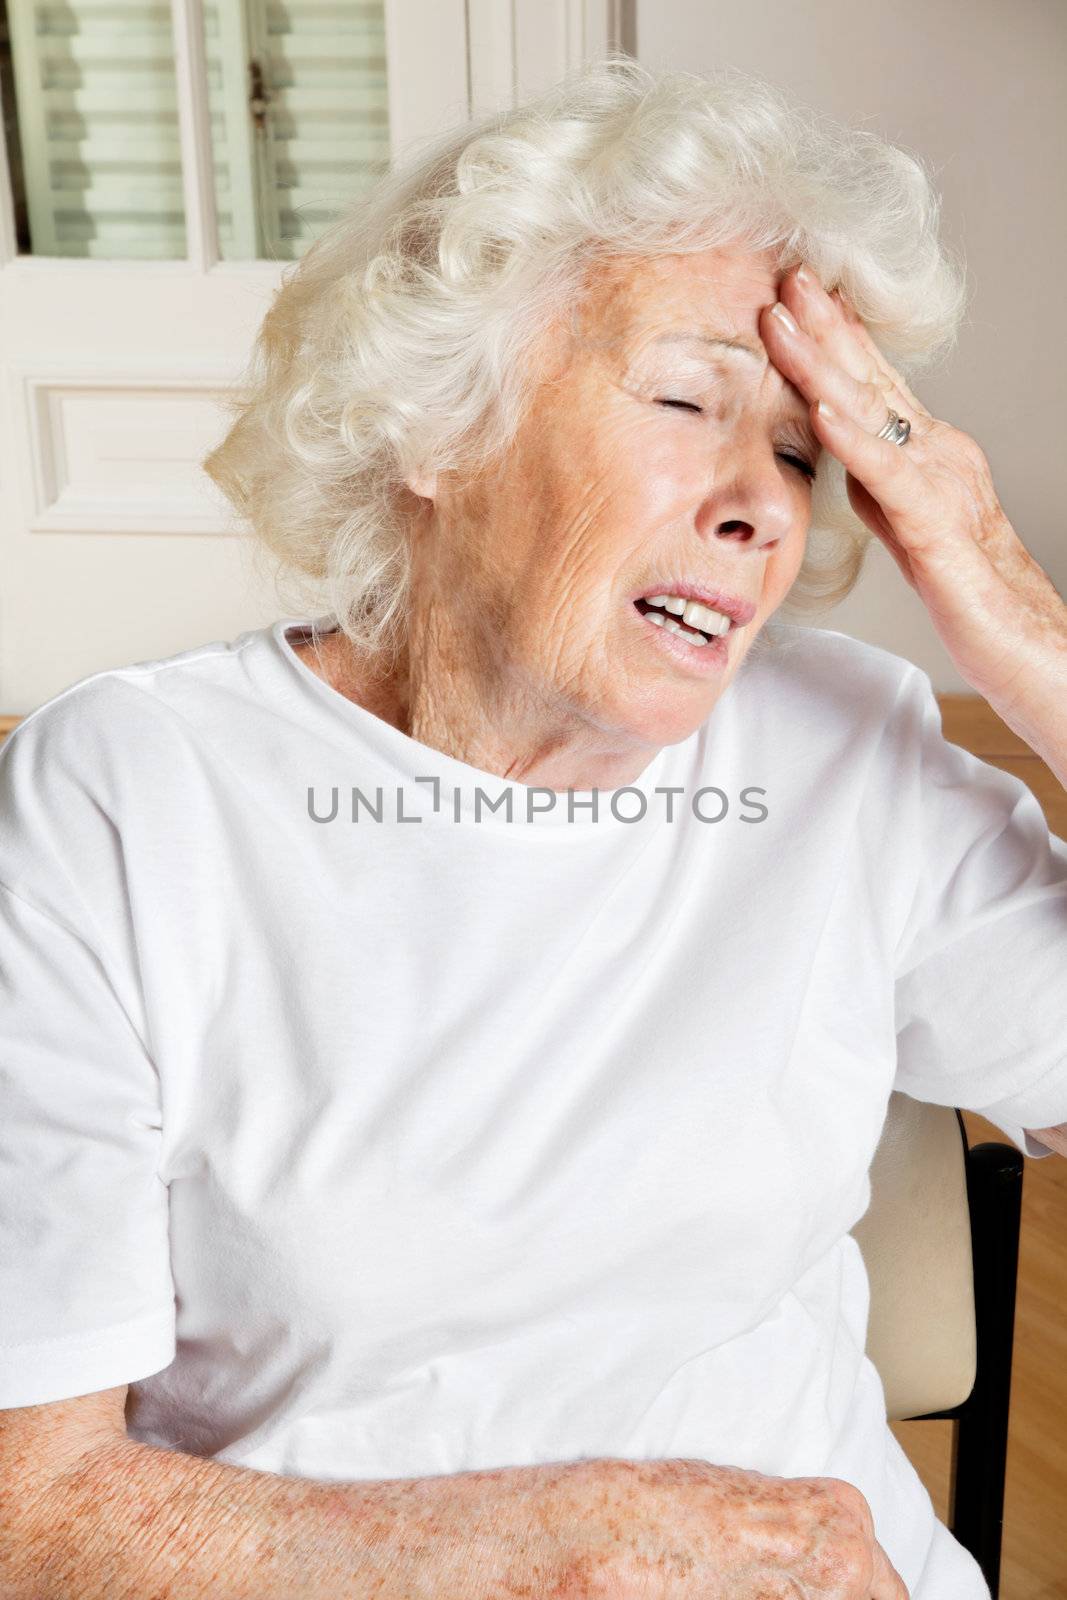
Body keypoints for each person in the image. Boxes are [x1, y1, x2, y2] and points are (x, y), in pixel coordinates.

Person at [1, 54, 1065, 1600]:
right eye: (690, 398)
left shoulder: (848, 750)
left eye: (794, 448)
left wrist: (1020, 618)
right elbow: (31, 1514)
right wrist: (540, 1547)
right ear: (437, 425)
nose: (763, 503)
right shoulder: (128, 798)